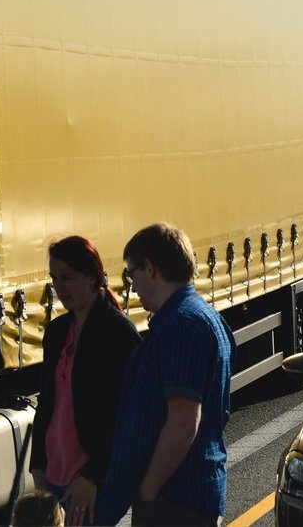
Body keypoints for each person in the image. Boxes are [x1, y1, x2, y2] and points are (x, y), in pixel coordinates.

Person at [96, 223, 237, 526]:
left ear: (150, 268)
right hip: (192, 493)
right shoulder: (205, 316)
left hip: (176, 499)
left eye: (131, 273)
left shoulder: (181, 324)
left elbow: (184, 421)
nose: (131, 286)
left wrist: (148, 490)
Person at [30, 236, 142, 526]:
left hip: (91, 479)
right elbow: (47, 402)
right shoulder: (56, 331)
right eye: (54, 278)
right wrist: (37, 464)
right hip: (53, 475)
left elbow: (125, 416)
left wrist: (92, 477)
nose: (59, 287)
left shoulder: (118, 333)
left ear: (93, 278)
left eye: (67, 278)